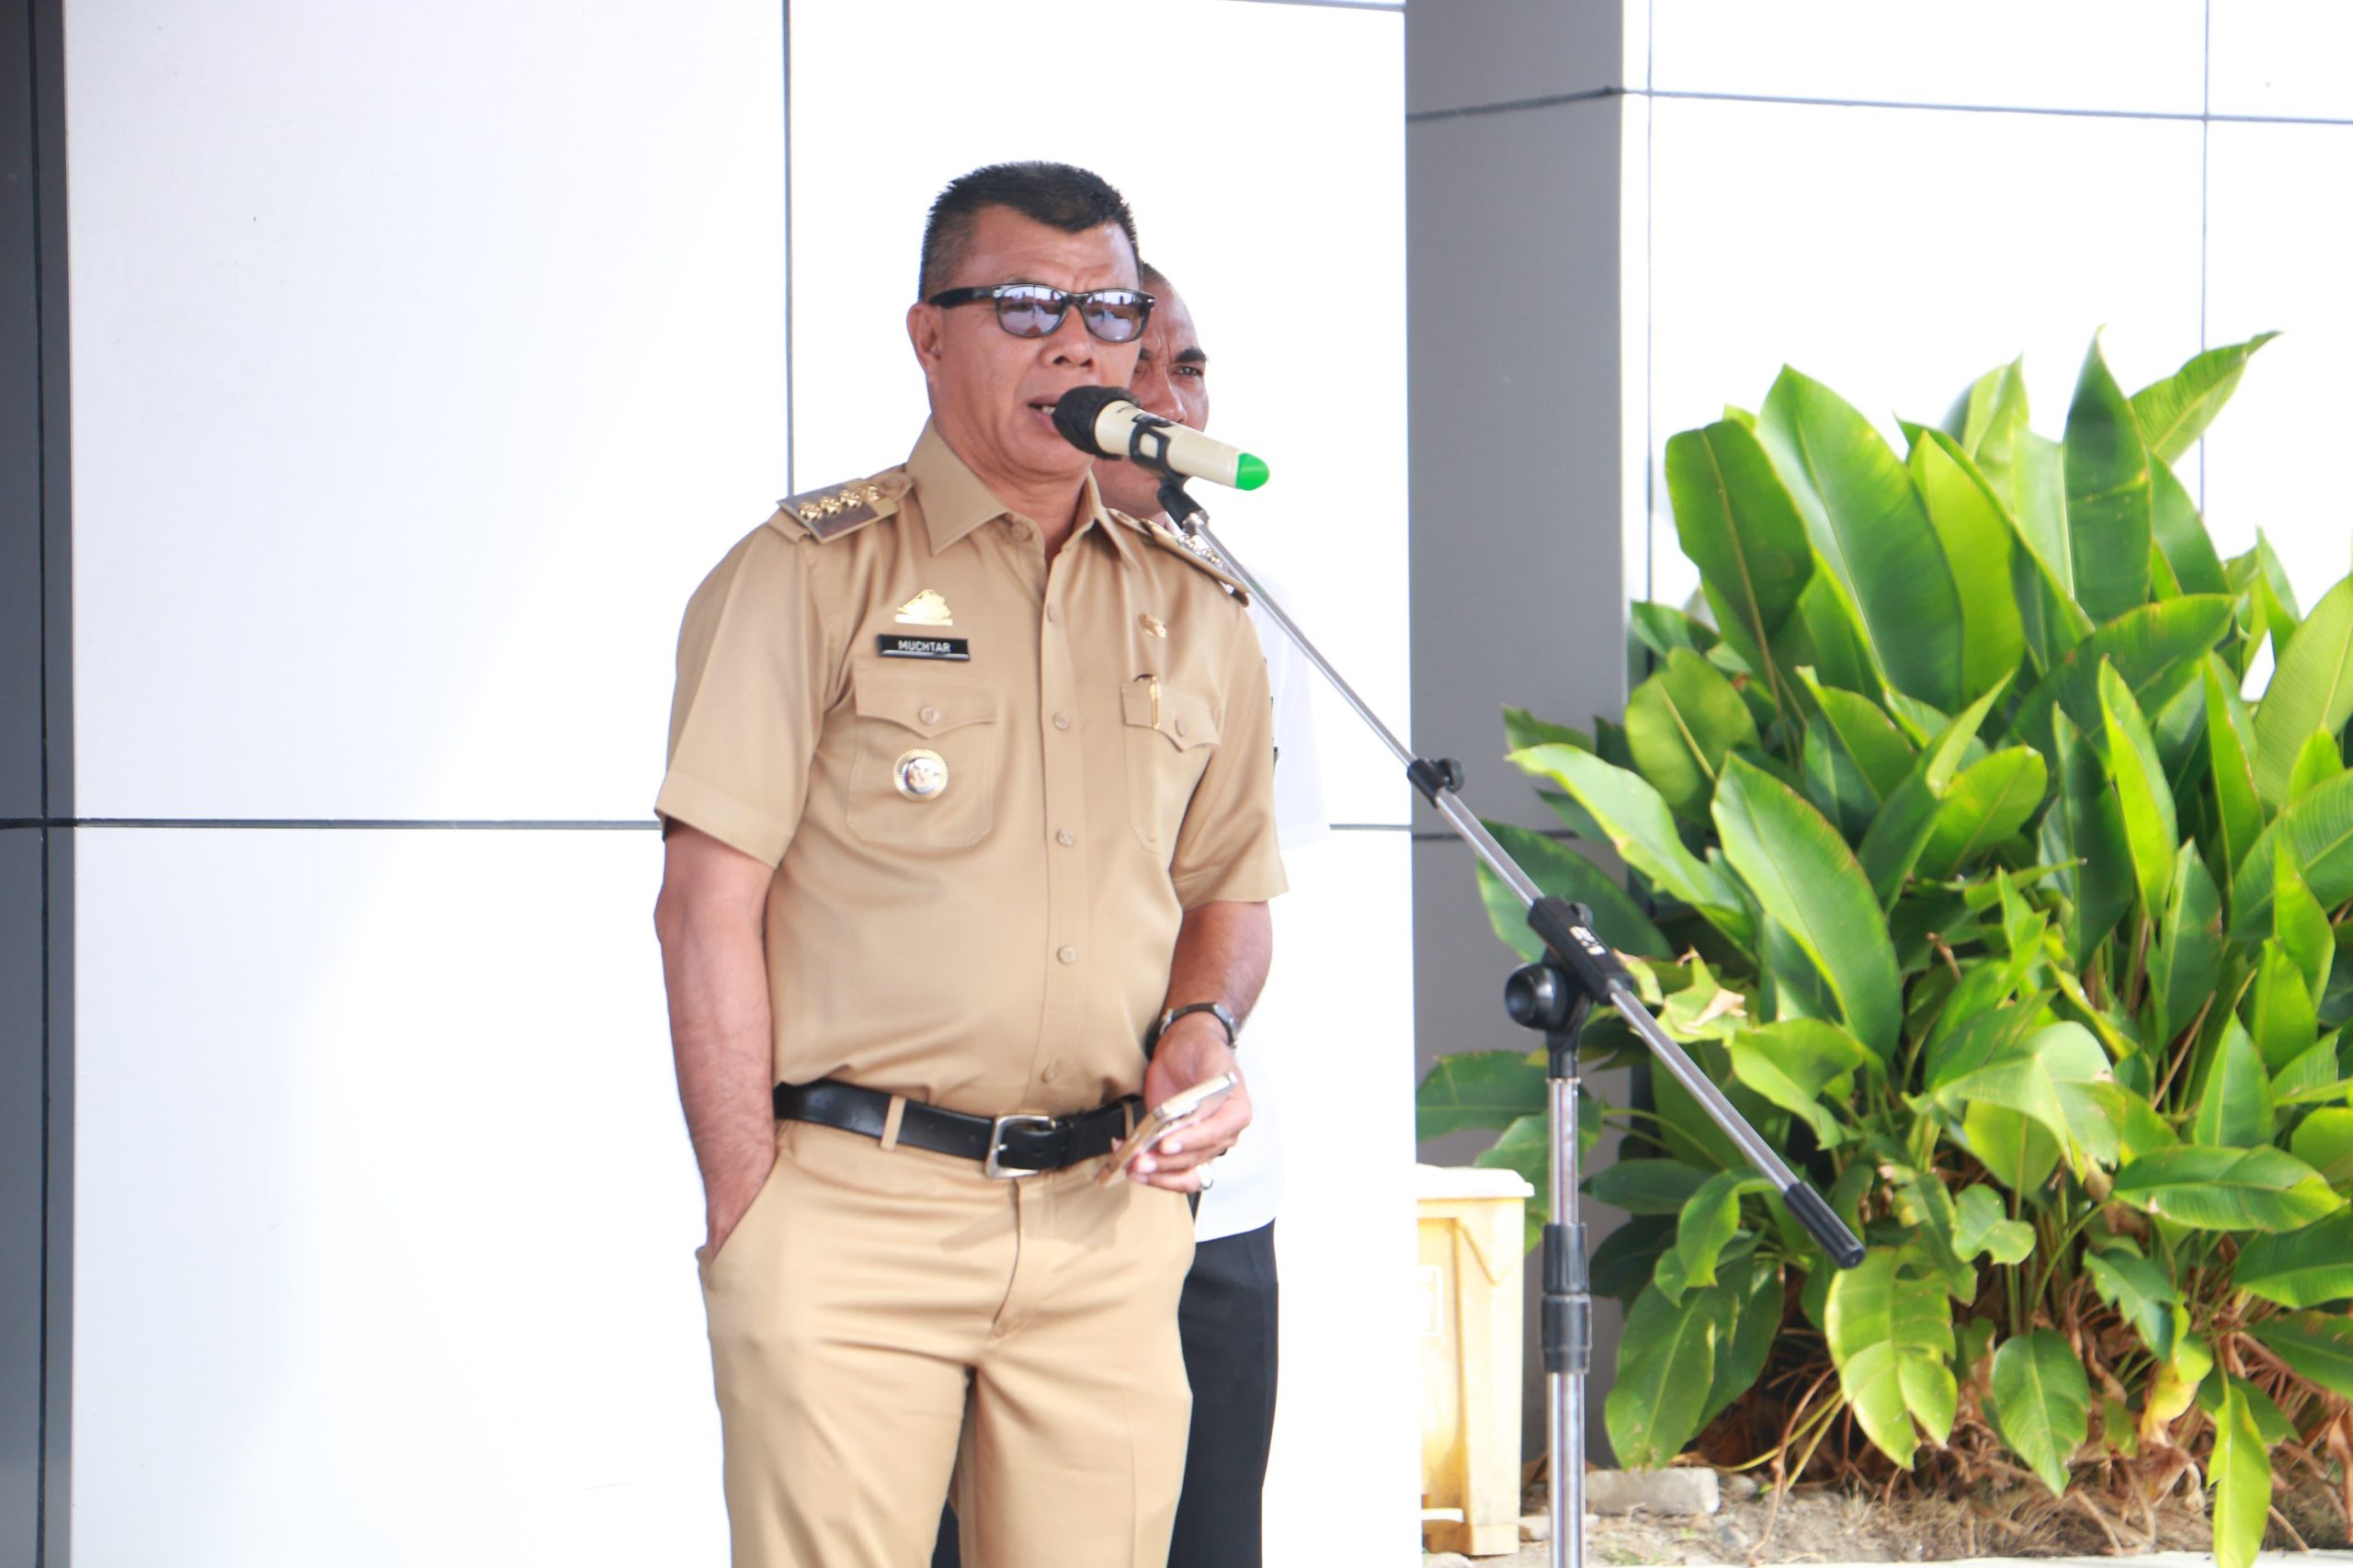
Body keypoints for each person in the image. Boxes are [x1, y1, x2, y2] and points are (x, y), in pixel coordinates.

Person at [652, 162, 1287, 1568]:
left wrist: (1203, 1026)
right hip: (850, 1213)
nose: (1075, 342)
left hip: (1106, 1223)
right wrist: (748, 1201)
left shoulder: (1203, 612)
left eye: (1109, 308)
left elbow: (1229, 893)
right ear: (928, 333)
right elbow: (706, 904)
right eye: (1021, 304)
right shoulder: (808, 574)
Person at [933, 262, 1327, 1568]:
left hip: (1199, 1204)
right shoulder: (922, 593)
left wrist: (1203, 1024)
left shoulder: (1241, 610)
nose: (1165, 396)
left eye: (1189, 367)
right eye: (1134, 366)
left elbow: (1243, 884)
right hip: (981, 1205)